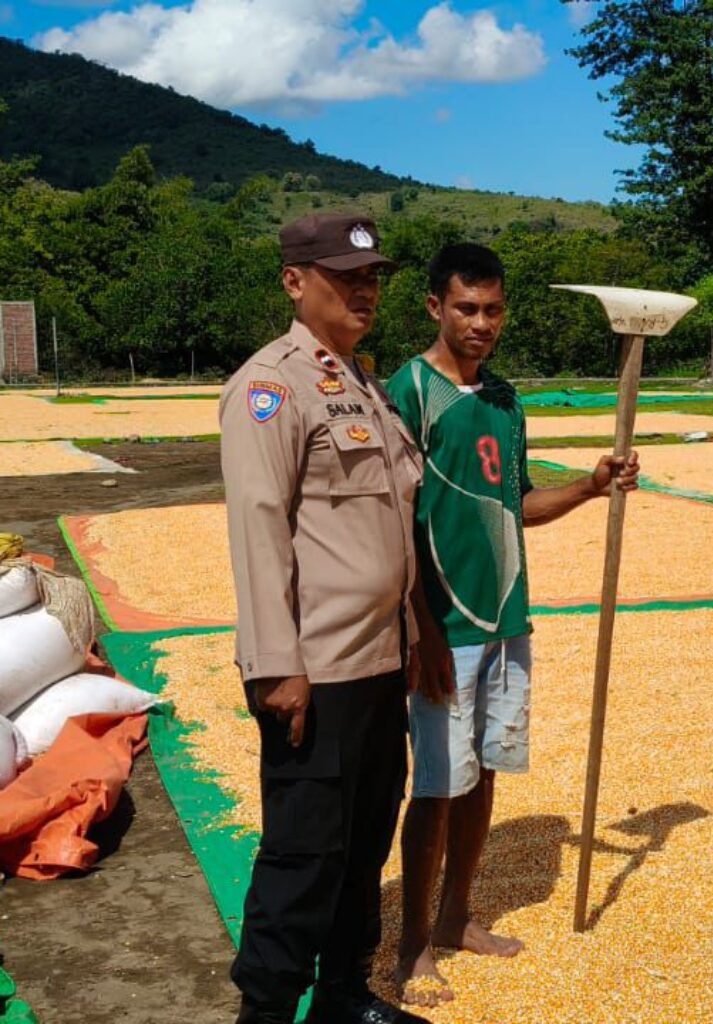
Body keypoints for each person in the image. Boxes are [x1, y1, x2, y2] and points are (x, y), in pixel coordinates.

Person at [386, 242, 640, 1006]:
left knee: (484, 773)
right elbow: (391, 521)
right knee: (435, 785)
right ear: (435, 306)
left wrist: (591, 488)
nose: (481, 323)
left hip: (506, 620)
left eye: (493, 309)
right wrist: (418, 628)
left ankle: (459, 917)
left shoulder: (505, 398)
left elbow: (516, 504)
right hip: (442, 628)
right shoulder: (410, 391)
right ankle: (409, 947)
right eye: (466, 308)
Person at [220, 211, 429, 1024]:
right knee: (304, 856)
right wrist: (278, 665)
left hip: (379, 664)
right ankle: (265, 1012)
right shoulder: (271, 386)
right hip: (316, 671)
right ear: (295, 281)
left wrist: (413, 639)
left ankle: (343, 997)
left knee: (365, 842)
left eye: (372, 278)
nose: (365, 291)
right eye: (346, 277)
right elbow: (258, 528)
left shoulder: (361, 383)